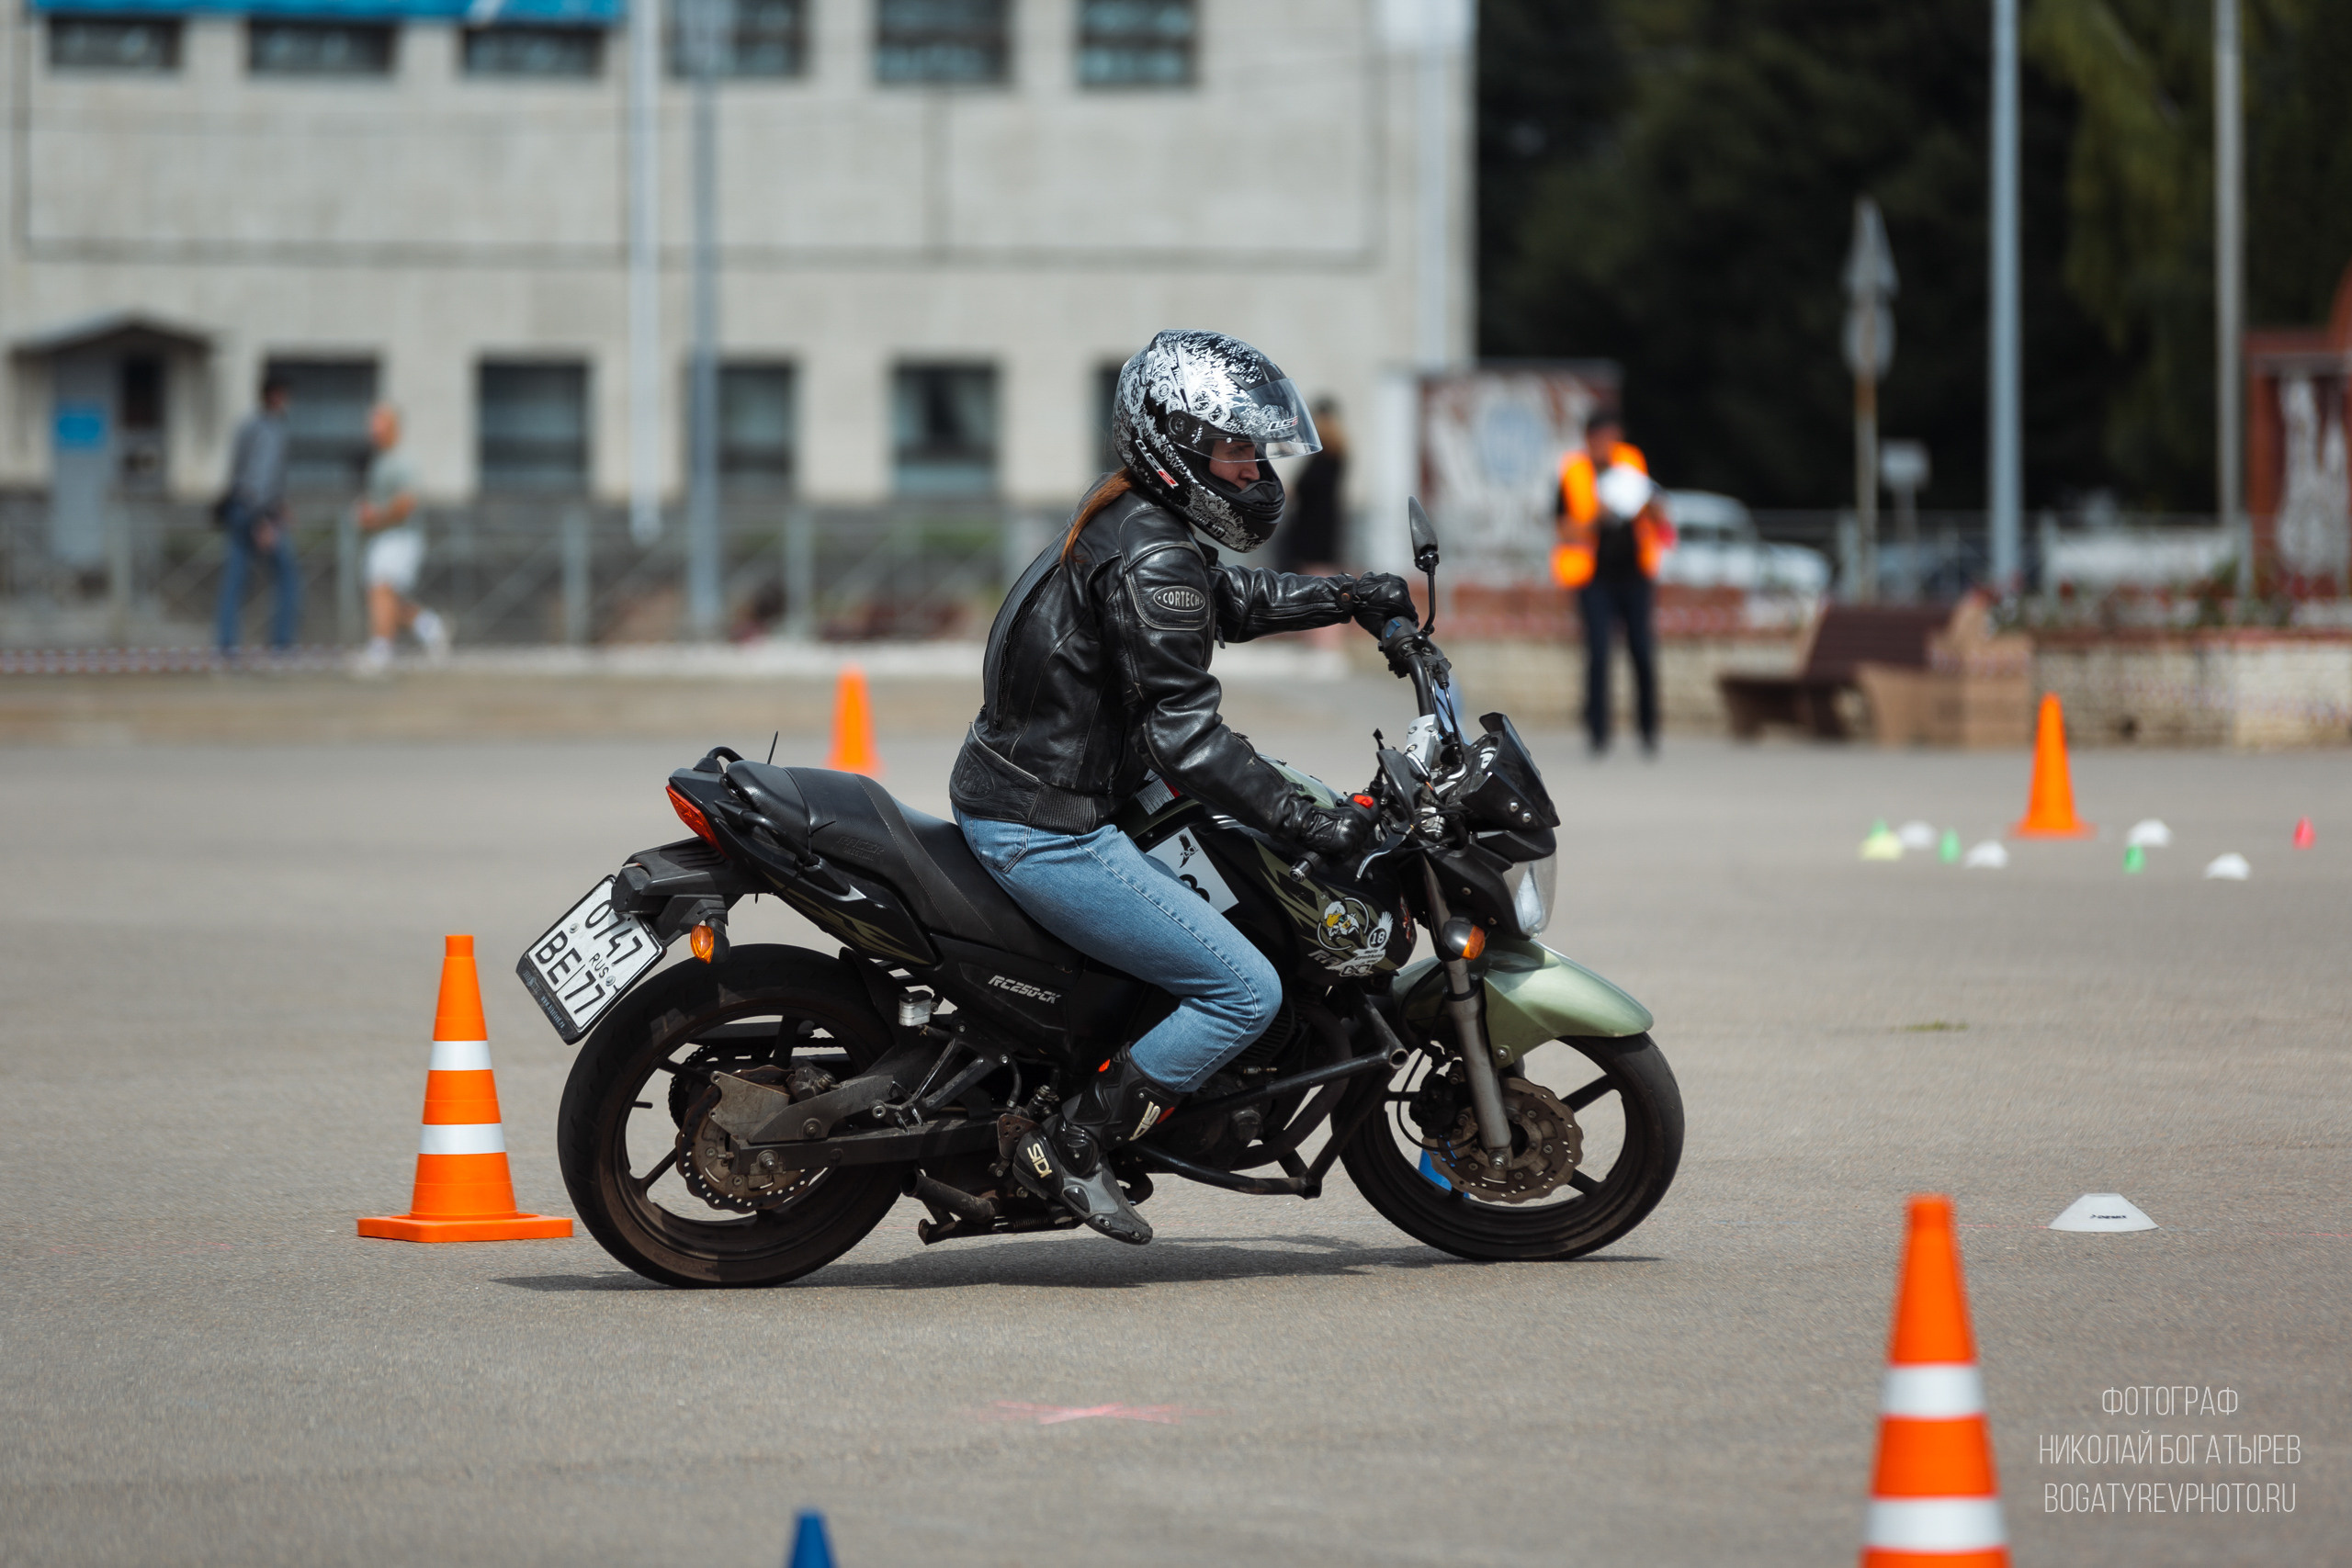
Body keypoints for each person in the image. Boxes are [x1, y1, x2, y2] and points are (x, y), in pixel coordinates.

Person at [950, 330, 1417, 1246]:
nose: (1254, 471)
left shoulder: (1136, 517)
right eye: (1238, 450)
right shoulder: (1150, 551)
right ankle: (1075, 1144)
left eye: (1258, 451)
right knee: (1244, 990)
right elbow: (1190, 742)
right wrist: (1315, 826)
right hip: (1051, 826)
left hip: (1054, 791)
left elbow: (1229, 604)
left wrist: (1355, 595)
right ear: (1175, 444)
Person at [1553, 412, 1675, 754]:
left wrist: (1649, 508)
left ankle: (1648, 730)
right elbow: (1563, 528)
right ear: (1591, 438)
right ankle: (1598, 733)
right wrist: (1597, 519)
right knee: (1599, 654)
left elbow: (1657, 511)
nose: (1611, 444)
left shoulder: (1632, 464)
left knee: (1642, 651)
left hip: (1635, 576)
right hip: (1594, 578)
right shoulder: (1573, 471)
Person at [355, 404, 447, 671]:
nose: (372, 430)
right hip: (385, 537)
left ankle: (381, 650)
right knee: (385, 596)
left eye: (378, 423)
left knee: (381, 589)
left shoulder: (401, 461)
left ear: (393, 426)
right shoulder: (380, 461)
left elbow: (407, 502)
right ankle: (429, 625)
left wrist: (377, 517)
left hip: (399, 537)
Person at [215, 374, 299, 654]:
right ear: (277, 396)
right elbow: (261, 478)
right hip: (259, 512)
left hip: (239, 507)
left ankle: (227, 644)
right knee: (287, 577)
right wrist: (264, 519)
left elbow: (237, 471)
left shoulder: (246, 426)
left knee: (235, 579)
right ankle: (281, 643)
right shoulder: (272, 430)